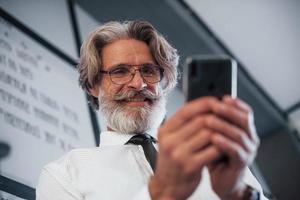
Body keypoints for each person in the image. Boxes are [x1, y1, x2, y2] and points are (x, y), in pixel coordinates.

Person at [36, 20, 266, 200]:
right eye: (120, 71)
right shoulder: (63, 175)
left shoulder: (218, 157)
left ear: (163, 81)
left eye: (149, 70)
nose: (139, 84)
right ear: (93, 86)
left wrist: (238, 194)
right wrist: (162, 193)